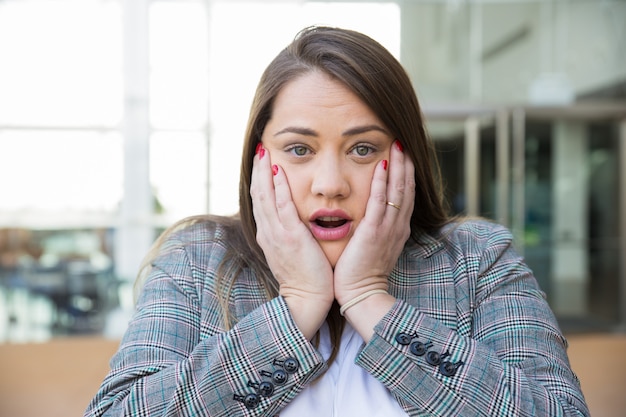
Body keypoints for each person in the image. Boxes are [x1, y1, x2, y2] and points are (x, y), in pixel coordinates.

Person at [85, 26, 589, 416]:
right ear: (260, 160)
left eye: (363, 149)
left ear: (405, 156)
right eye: (300, 149)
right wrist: (296, 309)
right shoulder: (196, 259)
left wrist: (372, 300)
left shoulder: (477, 259)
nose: (330, 183)